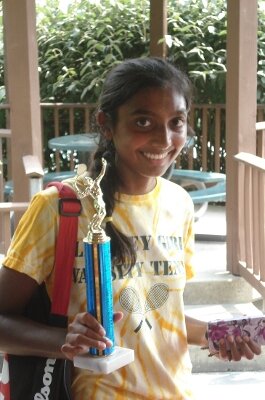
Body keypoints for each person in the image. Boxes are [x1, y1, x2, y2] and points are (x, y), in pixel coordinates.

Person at [0, 57, 261, 399]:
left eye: (176, 122)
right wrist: (66, 339)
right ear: (106, 125)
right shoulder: (59, 208)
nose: (164, 138)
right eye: (143, 121)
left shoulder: (179, 204)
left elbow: (158, 320)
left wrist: (215, 335)